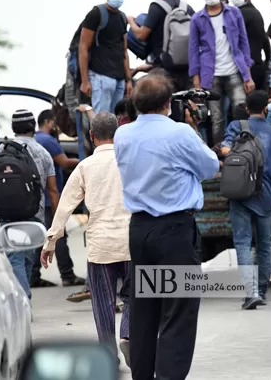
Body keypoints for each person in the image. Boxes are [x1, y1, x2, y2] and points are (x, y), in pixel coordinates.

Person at [114, 73, 219, 380]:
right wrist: (191, 126)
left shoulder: (123, 135)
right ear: (167, 104)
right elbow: (210, 166)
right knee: (179, 311)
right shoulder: (180, 133)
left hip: (140, 230)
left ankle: (143, 376)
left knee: (145, 311)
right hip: (173, 229)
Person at [41, 113, 132, 367]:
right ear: (118, 134)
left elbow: (65, 206)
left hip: (100, 246)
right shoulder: (131, 162)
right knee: (135, 295)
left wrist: (51, 241)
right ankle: (129, 334)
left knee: (103, 303)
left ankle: (108, 354)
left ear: (91, 137)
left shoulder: (84, 166)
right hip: (131, 242)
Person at [221, 91, 271, 309]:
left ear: (246, 108)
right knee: (263, 243)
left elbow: (225, 150)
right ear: (266, 109)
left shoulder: (236, 127)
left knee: (242, 242)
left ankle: (250, 292)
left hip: (240, 191)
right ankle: (261, 290)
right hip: (265, 194)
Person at [0, 110, 59, 299]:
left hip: (7, 213)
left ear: (14, 128)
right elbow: (52, 189)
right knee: (25, 258)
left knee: (17, 257)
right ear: (33, 127)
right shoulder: (43, 153)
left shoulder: (1, 150)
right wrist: (58, 221)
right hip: (33, 214)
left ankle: (23, 301)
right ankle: (25, 302)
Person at [189, 0, 255, 146]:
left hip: (234, 70)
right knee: (217, 117)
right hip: (211, 75)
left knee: (241, 111)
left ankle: (244, 149)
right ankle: (221, 153)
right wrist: (196, 80)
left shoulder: (234, 13)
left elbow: (243, 43)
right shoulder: (197, 18)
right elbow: (193, 50)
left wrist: (248, 76)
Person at [31, 110, 84, 289]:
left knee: (41, 237)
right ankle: (67, 275)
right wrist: (85, 160)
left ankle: (33, 275)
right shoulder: (48, 141)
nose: (57, 126)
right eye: (54, 122)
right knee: (58, 235)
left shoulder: (34, 141)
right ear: (47, 121)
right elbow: (64, 162)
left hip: (37, 198)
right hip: (49, 197)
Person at [128, 0, 197, 92]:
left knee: (160, 105)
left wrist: (131, 21)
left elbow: (141, 35)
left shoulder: (157, 6)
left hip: (163, 68)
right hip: (188, 69)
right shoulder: (187, 8)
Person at [78, 0, 133, 114]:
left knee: (116, 121)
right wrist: (85, 81)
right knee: (101, 121)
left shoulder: (122, 17)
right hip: (100, 75)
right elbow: (83, 47)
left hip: (119, 78)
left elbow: (124, 51)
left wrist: (128, 80)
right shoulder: (96, 14)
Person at [229, 0, 271, 89]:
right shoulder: (256, 13)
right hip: (257, 67)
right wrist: (267, 62)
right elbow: (265, 40)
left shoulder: (241, 14)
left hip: (247, 71)